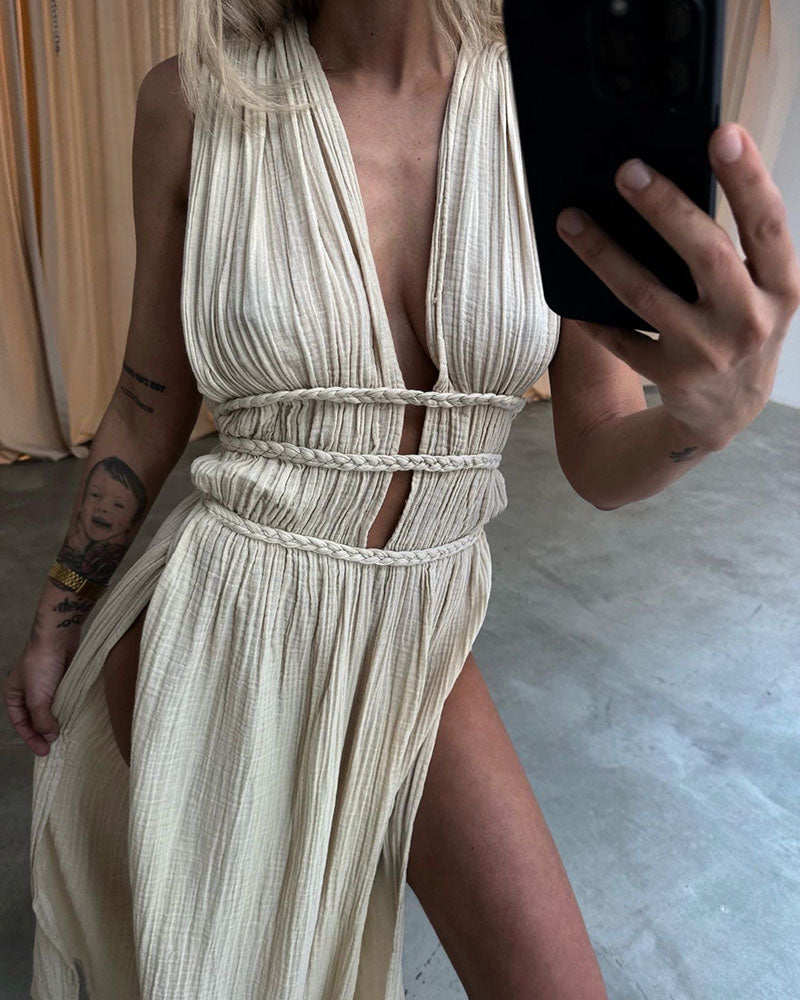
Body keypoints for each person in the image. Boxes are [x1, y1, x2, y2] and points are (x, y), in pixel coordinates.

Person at [7, 0, 799, 998]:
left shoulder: (547, 112)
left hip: (422, 630)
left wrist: (703, 421)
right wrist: (58, 617)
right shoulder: (196, 102)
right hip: (226, 622)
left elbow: (599, 450)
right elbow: (143, 399)